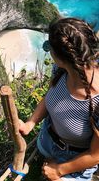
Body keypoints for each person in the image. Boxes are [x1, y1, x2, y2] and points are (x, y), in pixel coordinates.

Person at [19, 17, 99, 181]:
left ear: (62, 57)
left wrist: (59, 171)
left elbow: (95, 155)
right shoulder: (62, 70)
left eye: (49, 48)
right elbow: (51, 95)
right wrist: (30, 123)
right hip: (48, 140)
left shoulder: (97, 101)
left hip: (74, 163)